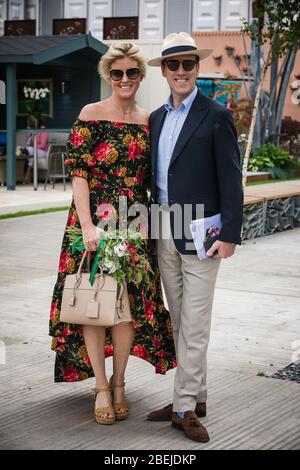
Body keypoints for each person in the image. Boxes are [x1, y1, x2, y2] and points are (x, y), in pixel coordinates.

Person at [49, 42, 176, 426]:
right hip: (93, 221)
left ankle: (119, 383)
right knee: (94, 302)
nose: (124, 79)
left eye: (131, 73)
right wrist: (87, 225)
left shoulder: (149, 120)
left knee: (127, 308)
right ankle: (101, 387)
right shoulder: (91, 114)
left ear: (141, 76)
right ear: (108, 75)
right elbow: (79, 173)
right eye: (117, 73)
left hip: (135, 220)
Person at [147, 33, 244, 442]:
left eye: (188, 64)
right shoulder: (155, 118)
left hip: (204, 233)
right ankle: (195, 395)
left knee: (196, 323)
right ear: (165, 72)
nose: (181, 71)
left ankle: (183, 407)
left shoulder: (216, 115)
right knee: (178, 320)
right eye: (174, 65)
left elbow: (231, 179)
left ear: (197, 68)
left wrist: (231, 235)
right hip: (164, 228)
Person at [24, 116, 49, 183]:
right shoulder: (33, 130)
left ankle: (26, 175)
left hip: (43, 152)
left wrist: (33, 146)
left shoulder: (43, 129)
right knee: (31, 156)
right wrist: (29, 135)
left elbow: (43, 145)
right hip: (34, 151)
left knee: (29, 150)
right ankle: (28, 176)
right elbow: (28, 144)